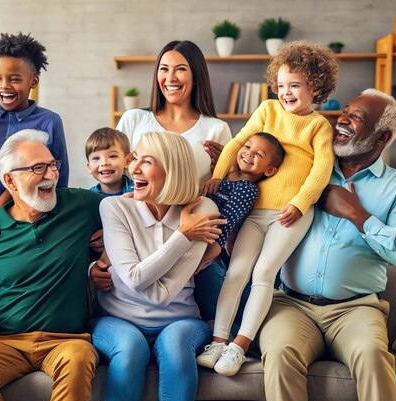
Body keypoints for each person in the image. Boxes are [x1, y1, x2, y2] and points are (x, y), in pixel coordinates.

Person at [257, 89, 396, 401]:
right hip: (291, 304)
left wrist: (357, 215)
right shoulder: (307, 167)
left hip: (356, 310)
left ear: (382, 137)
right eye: (344, 111)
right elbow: (260, 174)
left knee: (374, 357)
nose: (342, 119)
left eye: (356, 117)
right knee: (278, 353)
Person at [197, 41, 338, 376]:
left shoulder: (319, 126)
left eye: (295, 86)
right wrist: (219, 176)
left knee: (263, 274)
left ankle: (239, 347)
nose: (285, 92)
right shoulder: (267, 111)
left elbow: (322, 169)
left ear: (315, 88)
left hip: (291, 215)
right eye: (282, 85)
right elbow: (236, 142)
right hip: (255, 212)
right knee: (236, 272)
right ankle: (219, 340)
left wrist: (300, 204)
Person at [0, 129, 103, 401]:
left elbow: (134, 213)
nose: (51, 174)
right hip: (7, 341)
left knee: (80, 358)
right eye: (38, 168)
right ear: (10, 179)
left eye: (52, 165)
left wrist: (108, 245)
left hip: (66, 340)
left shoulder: (80, 206)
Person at [91, 131, 227, 401]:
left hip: (180, 319)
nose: (134, 169)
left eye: (147, 161)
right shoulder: (115, 207)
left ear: (172, 169)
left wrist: (189, 235)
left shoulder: (203, 209)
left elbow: (160, 295)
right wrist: (183, 235)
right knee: (129, 349)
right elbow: (136, 279)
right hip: (117, 319)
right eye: (134, 159)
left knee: (177, 346)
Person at [113, 39, 232, 320]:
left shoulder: (216, 129)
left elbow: (228, 194)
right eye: (164, 69)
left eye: (180, 69)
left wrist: (226, 168)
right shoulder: (133, 120)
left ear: (196, 76)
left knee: (220, 298)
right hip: (137, 237)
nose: (170, 77)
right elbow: (110, 175)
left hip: (191, 240)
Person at [0, 32, 69, 240]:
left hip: (32, 227)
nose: (4, 86)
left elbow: (59, 180)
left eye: (15, 79)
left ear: (34, 81)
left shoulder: (49, 122)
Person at [197, 132, 285, 272]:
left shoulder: (247, 189)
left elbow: (225, 224)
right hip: (200, 234)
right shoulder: (226, 174)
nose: (249, 154)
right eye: (247, 146)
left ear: (269, 170)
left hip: (216, 248)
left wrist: (204, 258)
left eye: (259, 154)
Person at [85, 127, 134, 196]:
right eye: (96, 158)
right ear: (89, 167)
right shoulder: (88, 198)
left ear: (128, 161)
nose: (104, 163)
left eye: (112, 156)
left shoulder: (138, 193)